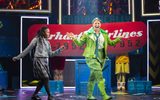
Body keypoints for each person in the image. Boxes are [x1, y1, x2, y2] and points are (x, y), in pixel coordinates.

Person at [67, 17, 122, 100]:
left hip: (101, 57)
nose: (97, 25)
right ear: (92, 24)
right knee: (99, 75)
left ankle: (89, 96)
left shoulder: (104, 34)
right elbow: (80, 43)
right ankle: (104, 95)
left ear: (100, 24)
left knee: (92, 77)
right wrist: (73, 38)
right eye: (95, 23)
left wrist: (117, 40)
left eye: (98, 23)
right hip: (91, 57)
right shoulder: (87, 33)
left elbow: (110, 43)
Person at [12, 26, 65, 100]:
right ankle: (50, 95)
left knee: (43, 80)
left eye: (49, 32)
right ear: (43, 32)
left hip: (45, 62)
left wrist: (59, 50)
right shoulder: (36, 39)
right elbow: (27, 49)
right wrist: (18, 57)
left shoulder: (47, 42)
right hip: (38, 61)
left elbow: (50, 54)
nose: (49, 33)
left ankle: (34, 95)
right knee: (46, 78)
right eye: (47, 32)